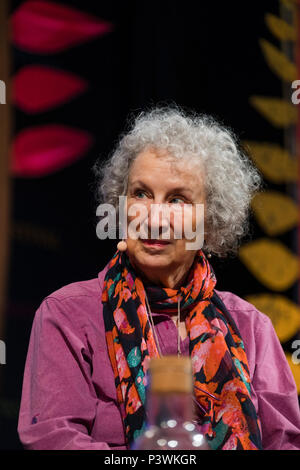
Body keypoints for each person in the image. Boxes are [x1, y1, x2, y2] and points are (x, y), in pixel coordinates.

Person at [18, 106, 300, 450]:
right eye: (141, 194)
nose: (155, 217)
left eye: (178, 199)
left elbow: (285, 444)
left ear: (209, 223)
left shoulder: (252, 327)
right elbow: (52, 439)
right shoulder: (67, 315)